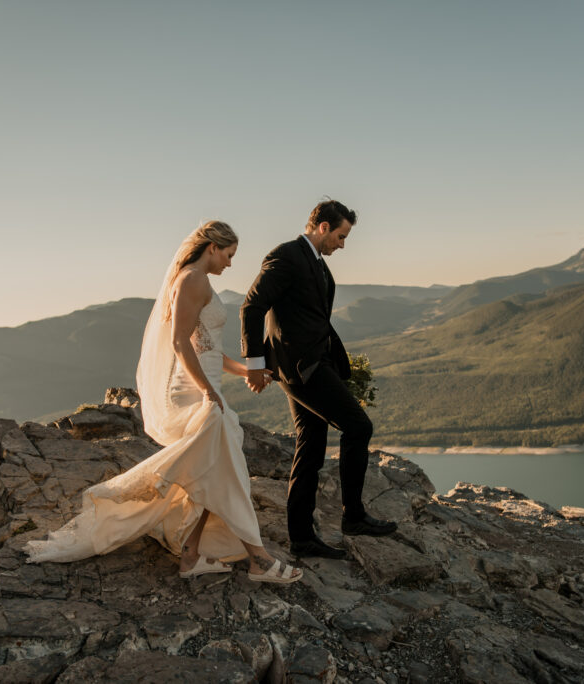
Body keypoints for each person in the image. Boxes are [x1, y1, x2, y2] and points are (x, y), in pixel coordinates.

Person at [25, 221, 301, 584]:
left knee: (211, 469)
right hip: (191, 390)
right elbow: (179, 343)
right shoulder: (191, 280)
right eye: (229, 255)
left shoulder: (198, 280)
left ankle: (191, 556)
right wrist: (207, 391)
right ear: (212, 248)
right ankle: (259, 560)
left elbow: (209, 349)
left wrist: (248, 372)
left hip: (205, 384)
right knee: (223, 467)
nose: (231, 264)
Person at [240, 199, 397, 560]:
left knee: (311, 443)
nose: (342, 244)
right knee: (358, 427)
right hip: (301, 368)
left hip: (314, 363)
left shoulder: (316, 264)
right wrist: (254, 363)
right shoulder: (287, 255)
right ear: (323, 227)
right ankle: (353, 516)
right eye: (341, 236)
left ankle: (301, 538)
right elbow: (252, 305)